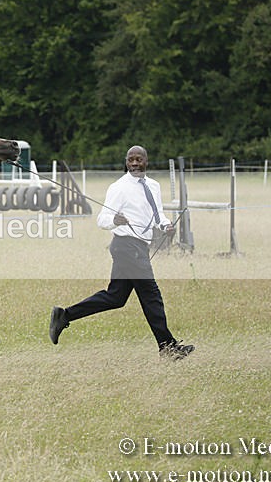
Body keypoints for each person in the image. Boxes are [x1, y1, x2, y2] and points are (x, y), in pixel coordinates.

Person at [49, 145, 195, 360]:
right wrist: (114, 220)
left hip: (140, 248)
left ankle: (65, 315)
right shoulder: (118, 187)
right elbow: (102, 219)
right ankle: (168, 347)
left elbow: (158, 215)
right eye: (131, 160)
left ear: (146, 161)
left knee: (115, 297)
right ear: (126, 162)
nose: (135, 163)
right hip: (126, 246)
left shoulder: (153, 186)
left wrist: (165, 226)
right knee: (151, 295)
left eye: (139, 159)